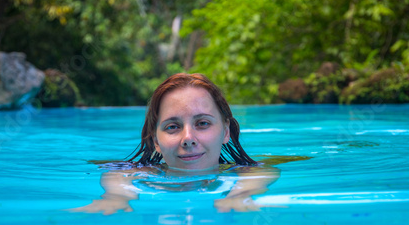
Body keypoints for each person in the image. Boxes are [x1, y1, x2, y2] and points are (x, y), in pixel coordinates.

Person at [73, 73, 280, 215]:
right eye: (172, 127)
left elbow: (263, 171)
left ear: (225, 132)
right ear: (156, 140)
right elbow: (118, 173)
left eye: (203, 123)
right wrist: (116, 195)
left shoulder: (239, 173)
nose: (188, 138)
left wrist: (242, 193)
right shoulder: (148, 172)